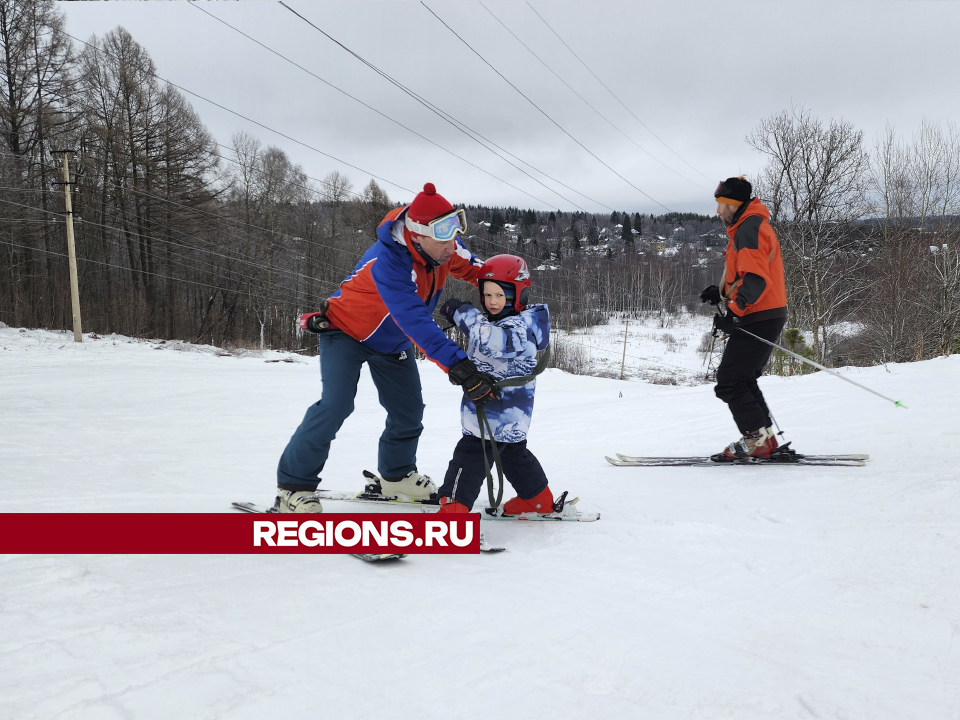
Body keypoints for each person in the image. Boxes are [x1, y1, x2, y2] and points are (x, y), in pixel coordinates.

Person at [274, 183, 499, 512]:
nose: (452, 245)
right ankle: (292, 487)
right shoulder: (388, 261)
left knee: (408, 411)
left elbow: (481, 271)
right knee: (335, 405)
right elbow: (416, 321)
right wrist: (460, 367)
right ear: (417, 235)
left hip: (392, 342)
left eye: (455, 234)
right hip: (346, 333)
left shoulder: (445, 247)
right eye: (443, 237)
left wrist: (511, 287)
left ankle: (396, 476)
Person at [432, 254, 554, 515]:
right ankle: (537, 499)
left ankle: (454, 509)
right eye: (487, 295)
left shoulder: (519, 326)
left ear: (519, 294)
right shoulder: (518, 322)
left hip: (493, 412)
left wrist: (461, 313)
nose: (493, 302)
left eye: (500, 295)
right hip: (509, 413)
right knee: (512, 454)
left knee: (470, 455)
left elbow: (491, 340)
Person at [700, 176, 788, 461]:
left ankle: (756, 439)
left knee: (730, 380)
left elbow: (756, 279)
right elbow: (745, 274)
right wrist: (722, 292)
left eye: (722, 205)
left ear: (735, 204)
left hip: (758, 314)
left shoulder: (748, 228)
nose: (718, 211)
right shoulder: (747, 225)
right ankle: (764, 439)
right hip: (763, 312)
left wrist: (735, 313)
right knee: (744, 378)